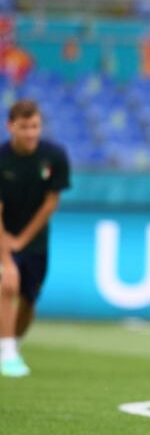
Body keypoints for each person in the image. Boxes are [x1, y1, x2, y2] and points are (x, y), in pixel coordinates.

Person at [0, 99, 71, 377]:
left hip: (36, 240)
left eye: (35, 127)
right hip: (3, 233)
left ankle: (12, 346)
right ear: (10, 127)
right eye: (24, 127)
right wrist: (7, 254)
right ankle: (6, 351)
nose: (30, 133)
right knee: (6, 286)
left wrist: (23, 239)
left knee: (30, 299)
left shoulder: (54, 156)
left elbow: (51, 202)